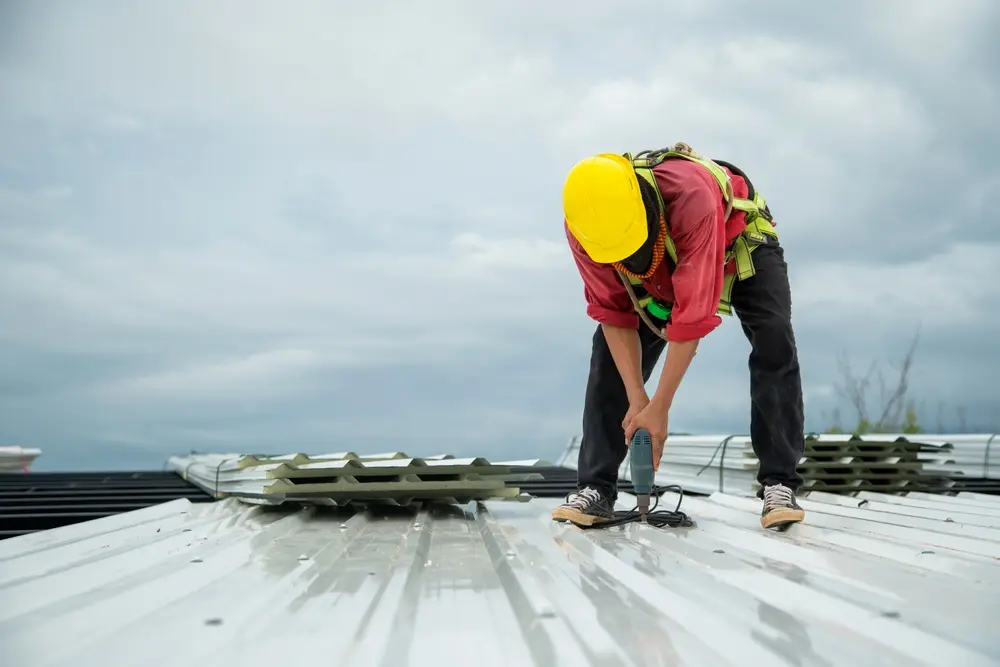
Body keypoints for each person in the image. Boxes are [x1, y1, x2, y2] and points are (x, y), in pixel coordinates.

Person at [552, 142, 806, 530]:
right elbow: (614, 314)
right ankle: (596, 489)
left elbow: (691, 319)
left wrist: (660, 409)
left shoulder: (692, 197)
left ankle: (779, 484)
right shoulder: (586, 228)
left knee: (774, 339)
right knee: (607, 354)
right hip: (659, 261)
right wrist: (638, 400)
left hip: (740, 242)